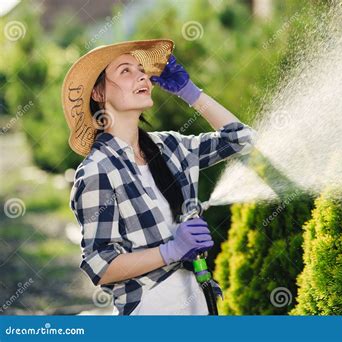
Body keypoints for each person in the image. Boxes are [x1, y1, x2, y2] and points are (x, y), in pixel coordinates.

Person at [62, 39, 256, 315]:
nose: (142, 75)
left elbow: (241, 139)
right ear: (98, 93)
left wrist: (190, 93)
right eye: (125, 71)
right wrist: (171, 251)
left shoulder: (171, 147)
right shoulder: (98, 170)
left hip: (199, 301)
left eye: (142, 70)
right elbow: (100, 266)